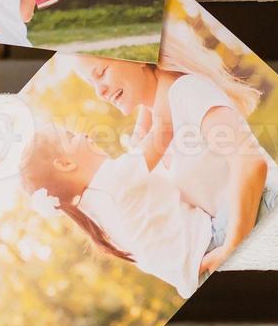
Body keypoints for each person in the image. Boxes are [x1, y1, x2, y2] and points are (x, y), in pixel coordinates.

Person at [74, 12, 278, 276]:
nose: (99, 91)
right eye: (90, 84)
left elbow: (250, 163)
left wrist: (232, 248)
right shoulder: (152, 132)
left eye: (101, 73)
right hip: (252, 233)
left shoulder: (186, 91)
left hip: (275, 209)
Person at [18, 123, 215, 299]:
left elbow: (143, 134)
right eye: (71, 136)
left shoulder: (95, 209)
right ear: (65, 164)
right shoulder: (113, 180)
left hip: (199, 271)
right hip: (211, 245)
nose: (84, 134)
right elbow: (164, 129)